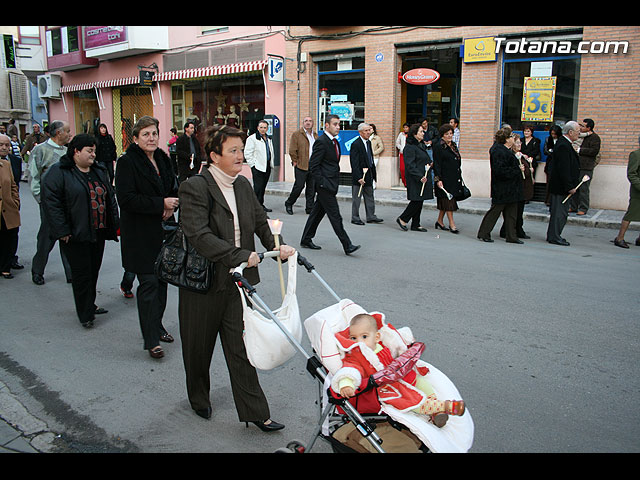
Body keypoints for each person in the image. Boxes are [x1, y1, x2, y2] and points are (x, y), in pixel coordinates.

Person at [177, 123, 296, 429]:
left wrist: (277, 246)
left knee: (242, 348)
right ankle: (198, 398)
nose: (240, 156)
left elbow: (259, 221)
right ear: (215, 156)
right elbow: (198, 235)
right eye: (233, 150)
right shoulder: (195, 187)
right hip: (203, 285)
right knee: (198, 348)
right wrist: (240, 256)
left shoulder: (242, 185)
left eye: (241, 150)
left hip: (237, 284)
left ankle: (255, 412)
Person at [115, 116, 178, 359]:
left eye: (154, 133)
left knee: (162, 283)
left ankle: (158, 325)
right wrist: (159, 203)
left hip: (164, 230)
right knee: (149, 284)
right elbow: (126, 199)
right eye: (145, 134)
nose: (151, 138)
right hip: (140, 234)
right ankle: (151, 340)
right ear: (135, 138)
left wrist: (171, 204)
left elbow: (173, 186)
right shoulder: (127, 162)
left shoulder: (162, 158)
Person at [41, 134, 119, 328]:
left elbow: (110, 198)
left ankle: (90, 304)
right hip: (75, 234)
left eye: (94, 150)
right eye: (89, 151)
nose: (94, 154)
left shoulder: (99, 170)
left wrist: (115, 223)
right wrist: (62, 230)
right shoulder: (59, 172)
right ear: (76, 151)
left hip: (98, 231)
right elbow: (52, 204)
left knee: (93, 271)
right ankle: (85, 314)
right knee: (82, 274)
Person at [332, 313, 465, 427]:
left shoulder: (383, 345)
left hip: (401, 376)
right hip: (386, 386)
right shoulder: (356, 356)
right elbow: (350, 370)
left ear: (377, 337)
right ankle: (447, 406)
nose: (359, 341)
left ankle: (435, 411)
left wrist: (406, 340)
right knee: (413, 401)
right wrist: (346, 384)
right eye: (354, 338)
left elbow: (397, 346)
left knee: (423, 384)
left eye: (364, 336)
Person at [300, 115, 360, 255]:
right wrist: (322, 183)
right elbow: (314, 165)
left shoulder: (334, 142)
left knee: (317, 213)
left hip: (331, 184)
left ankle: (306, 239)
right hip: (325, 186)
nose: (338, 127)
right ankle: (347, 245)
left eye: (339, 124)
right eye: (335, 124)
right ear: (326, 125)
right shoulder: (321, 141)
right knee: (335, 215)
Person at [29, 120, 73, 285]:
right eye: (67, 131)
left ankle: (71, 273)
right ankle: (37, 271)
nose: (70, 134)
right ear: (58, 133)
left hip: (67, 203)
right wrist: (41, 199)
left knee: (68, 237)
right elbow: (33, 176)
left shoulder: (68, 152)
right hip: (49, 203)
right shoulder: (40, 150)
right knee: (47, 238)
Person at [477, 126, 525, 244]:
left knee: (511, 214)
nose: (513, 138)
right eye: (511, 136)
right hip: (502, 188)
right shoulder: (498, 151)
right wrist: (517, 170)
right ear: (506, 139)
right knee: (495, 212)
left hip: (511, 188)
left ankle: (511, 236)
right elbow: (500, 171)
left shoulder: (505, 150)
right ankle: (484, 233)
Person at [546, 121, 581, 246]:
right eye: (577, 132)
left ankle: (554, 235)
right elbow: (563, 169)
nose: (579, 134)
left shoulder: (566, 144)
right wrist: (570, 186)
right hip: (560, 187)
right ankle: (554, 236)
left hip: (562, 186)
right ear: (570, 132)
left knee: (561, 213)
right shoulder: (563, 146)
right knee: (559, 213)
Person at [396, 123, 433, 233]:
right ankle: (403, 218)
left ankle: (416, 224)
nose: (423, 133)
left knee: (420, 200)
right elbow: (410, 165)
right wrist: (419, 176)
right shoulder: (409, 147)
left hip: (423, 176)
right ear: (414, 134)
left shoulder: (420, 145)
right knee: (416, 200)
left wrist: (429, 164)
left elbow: (422, 159)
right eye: (421, 131)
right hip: (415, 177)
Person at [500, 133, 534, 239]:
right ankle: (511, 230)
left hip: (524, 187)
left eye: (520, 142)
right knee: (515, 212)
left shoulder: (521, 155)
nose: (519, 144)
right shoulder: (512, 156)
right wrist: (526, 171)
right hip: (517, 188)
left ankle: (515, 229)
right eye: (517, 142)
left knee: (519, 211)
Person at [350, 123, 383, 226]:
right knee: (357, 197)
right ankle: (355, 217)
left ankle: (371, 216)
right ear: (360, 132)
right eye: (366, 131)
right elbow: (354, 162)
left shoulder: (368, 142)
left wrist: (373, 174)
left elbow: (370, 159)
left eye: (369, 130)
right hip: (359, 175)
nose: (369, 132)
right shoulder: (356, 144)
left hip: (368, 173)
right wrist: (358, 176)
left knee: (369, 196)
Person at [433, 124, 463, 234]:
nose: (449, 136)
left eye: (451, 133)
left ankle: (440, 221)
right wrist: (438, 179)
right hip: (444, 178)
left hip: (454, 177)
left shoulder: (453, 145)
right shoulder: (438, 146)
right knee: (449, 201)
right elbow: (437, 164)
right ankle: (452, 224)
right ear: (442, 135)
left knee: (446, 200)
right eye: (447, 134)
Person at [0, 134, 24, 271]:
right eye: (1, 145)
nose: (4, 148)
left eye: (6, 145)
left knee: (11, 235)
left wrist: (16, 201)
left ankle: (8, 262)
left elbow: (15, 183)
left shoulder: (12, 161)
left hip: (10, 205)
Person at [285, 116, 317, 215]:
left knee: (311, 189)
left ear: (313, 123)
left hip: (313, 166)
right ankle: (289, 203)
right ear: (303, 123)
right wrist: (295, 161)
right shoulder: (297, 135)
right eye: (306, 121)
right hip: (301, 165)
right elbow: (292, 150)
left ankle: (309, 208)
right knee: (299, 186)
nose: (308, 123)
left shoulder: (315, 135)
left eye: (310, 121)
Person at [613, 136, 640, 248]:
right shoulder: (636, 154)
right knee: (630, 214)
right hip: (638, 191)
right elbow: (632, 174)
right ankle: (620, 238)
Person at [570, 118, 601, 215]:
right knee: (575, 187)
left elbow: (594, 151)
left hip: (586, 167)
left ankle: (583, 208)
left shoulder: (595, 138)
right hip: (576, 166)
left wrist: (579, 150)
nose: (580, 127)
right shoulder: (578, 136)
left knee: (583, 188)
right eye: (580, 125)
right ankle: (573, 206)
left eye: (583, 126)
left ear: (589, 128)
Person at [245, 119, 275, 212]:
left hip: (267, 166)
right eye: (261, 127)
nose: (262, 129)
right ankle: (255, 207)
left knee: (262, 188)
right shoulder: (252, 139)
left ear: (267, 129)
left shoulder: (268, 139)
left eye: (264, 128)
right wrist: (252, 165)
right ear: (258, 128)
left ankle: (260, 205)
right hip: (257, 167)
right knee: (258, 188)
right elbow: (247, 153)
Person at [543, 125, 562, 205]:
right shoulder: (548, 139)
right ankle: (548, 200)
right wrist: (551, 152)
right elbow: (545, 151)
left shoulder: (561, 140)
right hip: (550, 162)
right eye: (552, 134)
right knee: (549, 182)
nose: (553, 135)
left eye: (555, 134)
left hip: (558, 163)